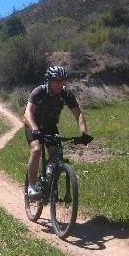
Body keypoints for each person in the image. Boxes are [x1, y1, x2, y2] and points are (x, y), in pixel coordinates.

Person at [23, 66, 89, 197]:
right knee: (36, 150)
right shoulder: (39, 92)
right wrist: (35, 130)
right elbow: (27, 114)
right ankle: (31, 186)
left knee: (56, 156)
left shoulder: (66, 94)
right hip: (33, 125)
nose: (59, 84)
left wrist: (84, 133)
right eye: (56, 81)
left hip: (50, 126)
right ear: (49, 81)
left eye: (62, 80)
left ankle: (50, 181)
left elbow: (78, 113)